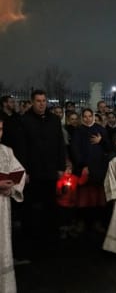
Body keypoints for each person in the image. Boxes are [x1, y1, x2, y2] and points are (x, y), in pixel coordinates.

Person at [20, 89, 66, 242]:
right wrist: (25, 170)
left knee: (50, 203)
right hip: (33, 171)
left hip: (51, 169)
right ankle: (32, 235)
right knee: (32, 204)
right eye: (38, 101)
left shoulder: (54, 120)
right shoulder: (25, 120)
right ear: (32, 102)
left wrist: (61, 167)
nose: (41, 104)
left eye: (44, 101)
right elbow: (23, 147)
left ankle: (50, 233)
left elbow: (60, 144)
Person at [0, 117, 26, 293]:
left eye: (0, 129)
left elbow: (19, 172)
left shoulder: (6, 151)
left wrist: (11, 187)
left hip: (2, 203)